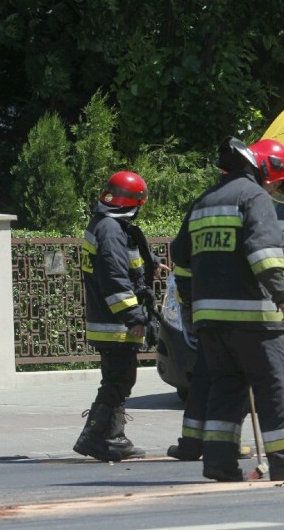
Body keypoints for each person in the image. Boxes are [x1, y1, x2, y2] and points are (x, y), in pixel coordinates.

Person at [170, 136, 284, 482]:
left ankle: (219, 462)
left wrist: (192, 302)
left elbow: (180, 259)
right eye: (278, 183)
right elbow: (263, 252)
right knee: (274, 387)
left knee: (226, 388)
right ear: (268, 171)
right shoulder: (254, 197)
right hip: (253, 319)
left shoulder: (204, 201)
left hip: (211, 321)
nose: (276, 190)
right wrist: (282, 295)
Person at [73, 171, 167, 461]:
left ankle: (115, 438)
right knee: (118, 381)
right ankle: (92, 437)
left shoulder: (105, 225)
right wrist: (135, 316)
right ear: (135, 203)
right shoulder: (112, 230)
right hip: (115, 322)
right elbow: (114, 277)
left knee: (119, 379)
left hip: (108, 319)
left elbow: (123, 260)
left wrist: (153, 264)